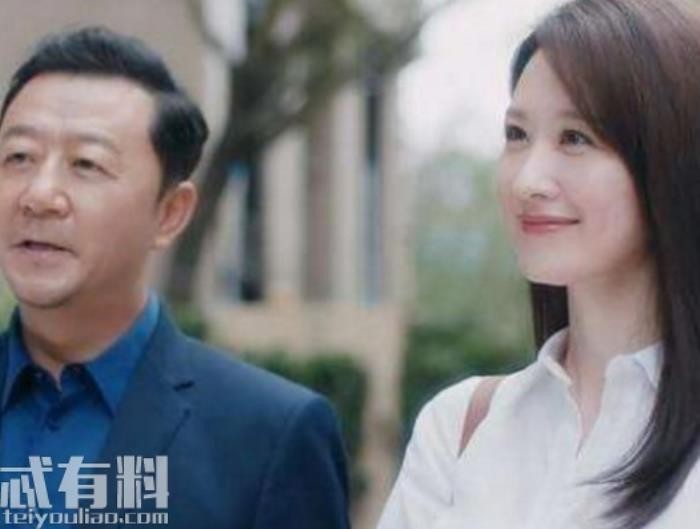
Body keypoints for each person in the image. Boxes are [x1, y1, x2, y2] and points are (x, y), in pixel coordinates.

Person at [0, 27, 350, 529]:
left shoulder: (269, 435)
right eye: (19, 158)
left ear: (170, 212)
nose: (39, 195)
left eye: (86, 164)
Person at [377, 0, 700, 528]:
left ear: (669, 157)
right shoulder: (459, 428)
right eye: (517, 135)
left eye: (575, 138)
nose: (528, 180)